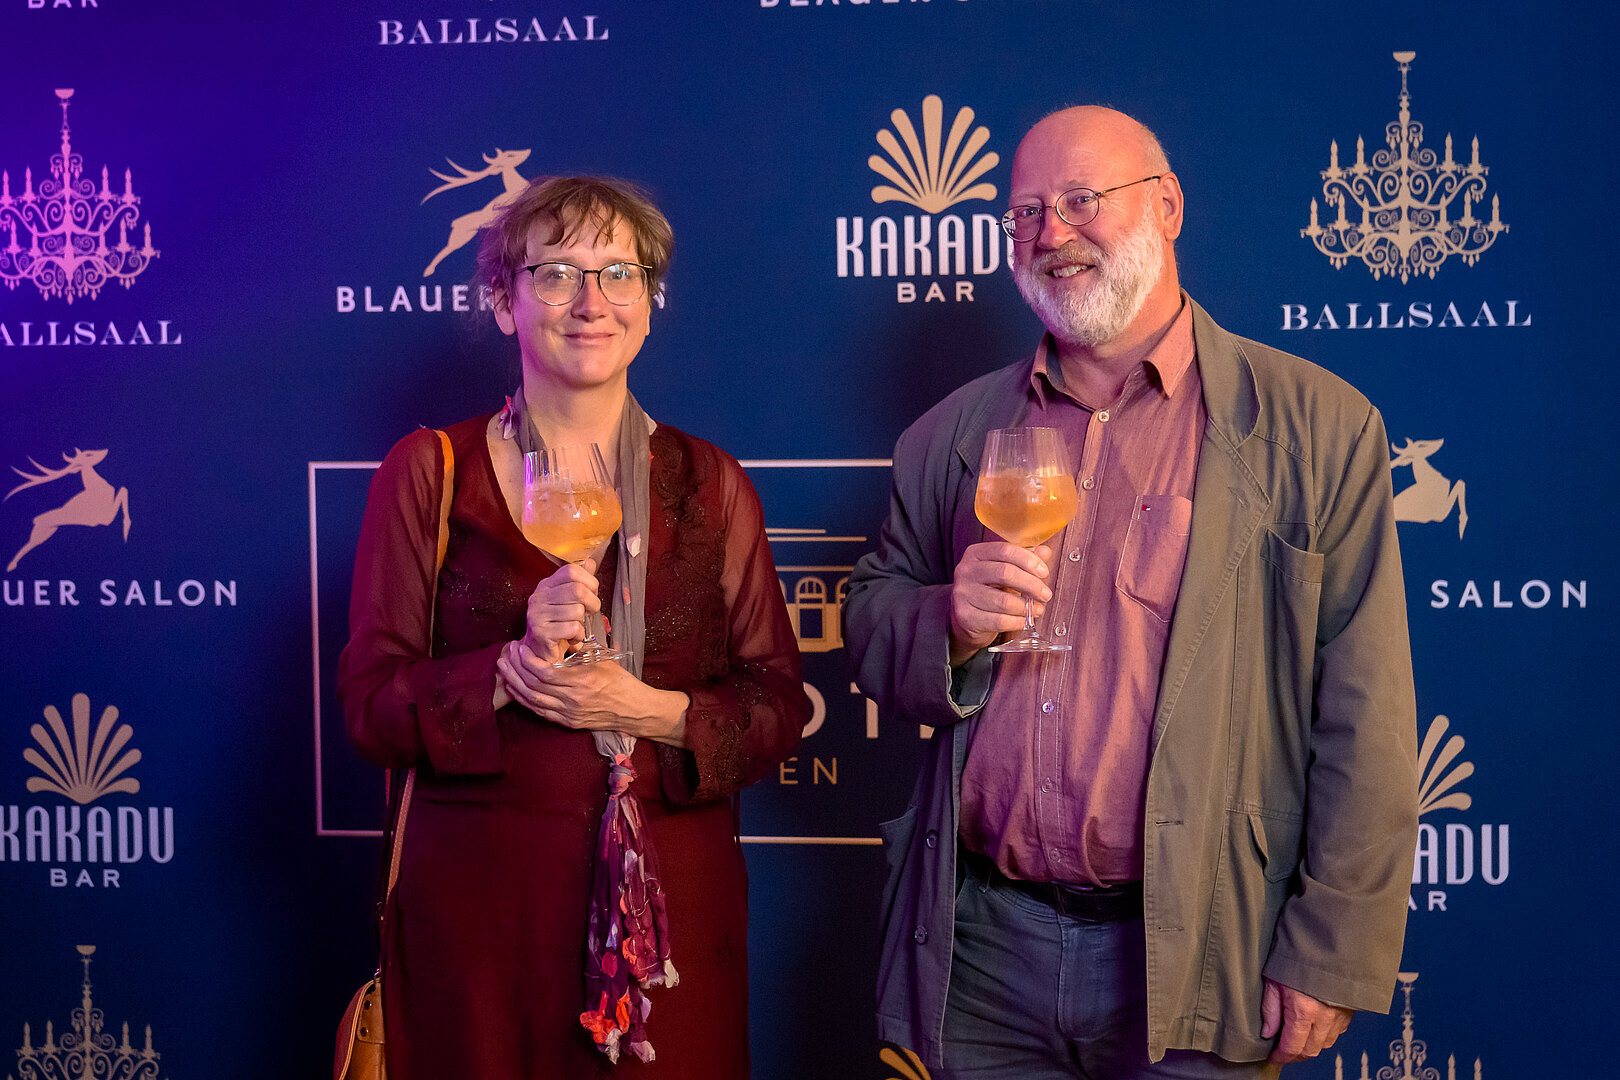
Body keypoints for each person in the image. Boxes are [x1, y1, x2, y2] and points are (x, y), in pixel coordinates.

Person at [843, 107, 1419, 1078]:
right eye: (1026, 212)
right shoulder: (949, 434)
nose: (1051, 234)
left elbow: (1367, 717)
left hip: (1204, 945)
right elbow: (868, 617)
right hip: (981, 952)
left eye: (1081, 200)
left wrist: (1331, 949)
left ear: (1168, 207)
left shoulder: (1319, 428)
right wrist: (947, 622)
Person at [339, 175, 807, 1079]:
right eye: (555, 274)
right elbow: (369, 711)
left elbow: (777, 707)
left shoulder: (711, 482)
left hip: (673, 922)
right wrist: (507, 670)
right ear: (503, 302)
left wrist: (646, 709)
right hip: (480, 926)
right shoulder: (431, 471)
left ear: (649, 305)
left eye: (620, 274)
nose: (592, 302)